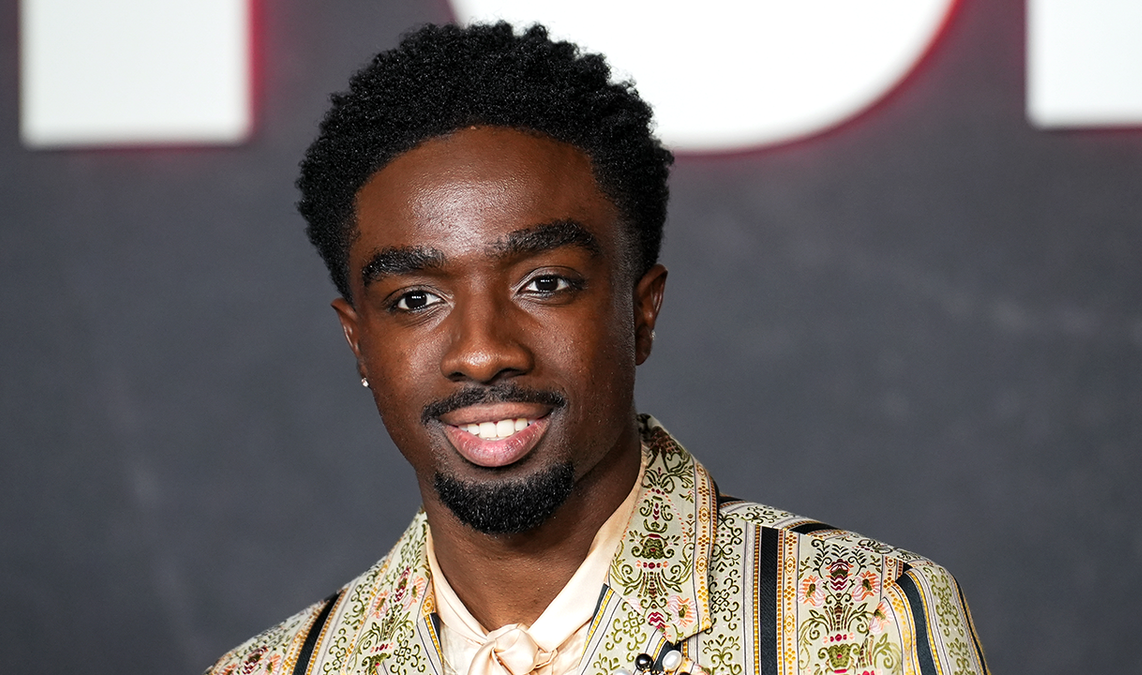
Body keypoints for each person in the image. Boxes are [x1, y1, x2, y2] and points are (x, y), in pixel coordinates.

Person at [207, 22, 988, 675]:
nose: (482, 352)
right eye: (416, 299)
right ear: (358, 343)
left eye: (544, 283)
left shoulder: (867, 622)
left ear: (641, 311)